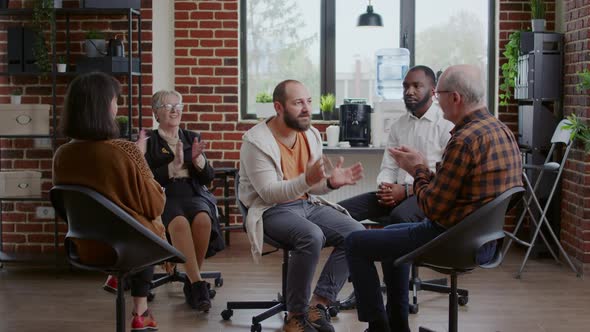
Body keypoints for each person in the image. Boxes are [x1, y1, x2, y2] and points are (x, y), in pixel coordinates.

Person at [345, 64, 523, 332]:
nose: (437, 100)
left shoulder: (464, 139)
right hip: (485, 240)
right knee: (392, 234)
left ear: (455, 98)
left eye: (439, 94)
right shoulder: (501, 130)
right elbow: (448, 190)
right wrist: (423, 170)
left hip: (453, 240)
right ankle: (398, 325)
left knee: (355, 242)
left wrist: (416, 169)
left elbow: (431, 208)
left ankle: (380, 327)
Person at [239, 79, 366, 332]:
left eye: (308, 101)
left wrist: (329, 184)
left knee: (356, 234)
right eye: (298, 103)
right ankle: (295, 316)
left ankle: (317, 305)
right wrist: (306, 180)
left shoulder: (310, 135)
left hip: (306, 203)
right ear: (279, 107)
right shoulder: (255, 142)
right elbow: (269, 193)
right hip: (270, 209)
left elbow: (311, 187)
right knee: (311, 236)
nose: (307, 108)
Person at [53, 72, 165, 331]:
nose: (118, 107)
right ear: (102, 106)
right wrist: (141, 161)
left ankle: (126, 290)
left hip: (84, 246)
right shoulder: (124, 150)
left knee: (137, 221)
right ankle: (140, 311)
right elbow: (154, 205)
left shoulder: (62, 154)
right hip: (127, 247)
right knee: (151, 219)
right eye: (115, 100)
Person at [139, 89, 224, 312]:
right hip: (165, 194)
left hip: (193, 191)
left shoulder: (191, 137)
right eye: (168, 106)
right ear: (156, 113)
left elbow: (207, 178)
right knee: (179, 223)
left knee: (204, 220)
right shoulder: (148, 140)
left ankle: (192, 280)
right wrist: (172, 168)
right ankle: (197, 285)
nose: (175, 110)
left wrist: (197, 162)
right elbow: (144, 179)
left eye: (178, 106)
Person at [338, 65, 454, 225]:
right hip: (397, 191)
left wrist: (405, 192)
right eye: (405, 86)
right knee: (339, 212)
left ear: (433, 91)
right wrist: (385, 188)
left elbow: (443, 179)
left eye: (417, 86)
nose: (409, 91)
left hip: (426, 195)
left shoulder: (446, 124)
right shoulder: (398, 125)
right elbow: (389, 167)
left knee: (400, 216)